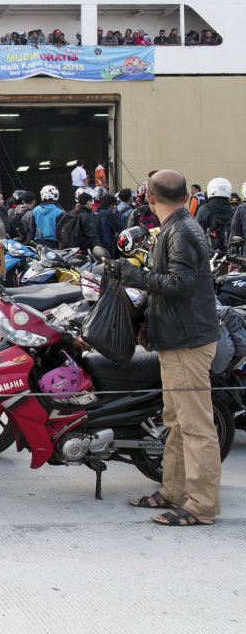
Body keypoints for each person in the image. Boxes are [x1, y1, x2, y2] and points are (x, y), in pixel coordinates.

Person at [111, 170, 222, 525]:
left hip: (188, 340)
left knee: (195, 426)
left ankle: (201, 505)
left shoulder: (182, 231)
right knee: (175, 421)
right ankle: (174, 491)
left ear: (150, 198)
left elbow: (181, 283)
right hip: (179, 338)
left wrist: (133, 275)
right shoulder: (179, 227)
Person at [195, 177, 233, 253]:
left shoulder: (204, 209)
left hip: (208, 255)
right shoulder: (233, 211)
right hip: (230, 256)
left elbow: (196, 233)